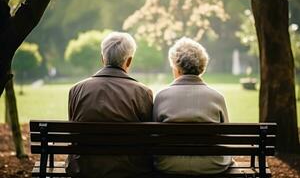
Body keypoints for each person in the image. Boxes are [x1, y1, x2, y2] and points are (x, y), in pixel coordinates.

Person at [66, 32, 153, 178]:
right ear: (129, 61)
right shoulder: (143, 92)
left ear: (102, 59)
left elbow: (74, 133)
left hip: (85, 169)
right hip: (130, 170)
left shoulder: (76, 90)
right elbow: (148, 137)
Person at [153, 37, 234, 175]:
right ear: (201, 68)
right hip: (212, 164)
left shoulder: (161, 97)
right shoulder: (217, 97)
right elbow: (225, 136)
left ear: (176, 68)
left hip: (170, 164)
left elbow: (154, 136)